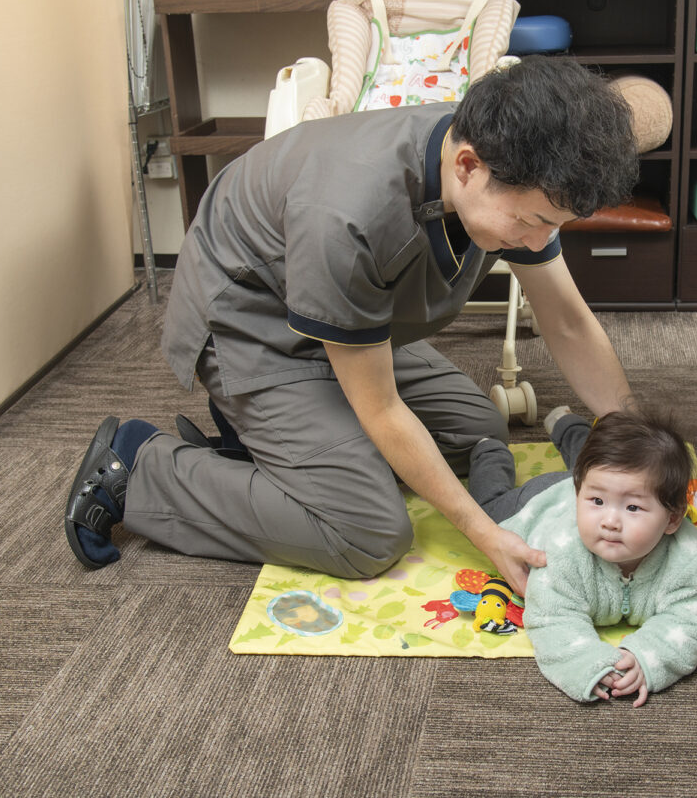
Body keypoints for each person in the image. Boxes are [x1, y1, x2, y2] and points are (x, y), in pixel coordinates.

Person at [62, 55, 640, 597]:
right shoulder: (350, 212)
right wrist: (484, 534)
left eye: (554, 225)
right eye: (534, 221)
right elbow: (381, 409)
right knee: (367, 532)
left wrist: (639, 442)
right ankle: (140, 468)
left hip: (339, 323)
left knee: (478, 426)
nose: (540, 242)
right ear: (468, 167)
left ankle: (267, 445)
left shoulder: (507, 162)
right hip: (250, 322)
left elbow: (565, 320)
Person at [468, 407, 697, 707]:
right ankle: (488, 451)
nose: (610, 521)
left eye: (632, 508)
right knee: (489, 510)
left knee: (605, 469)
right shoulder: (562, 551)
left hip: (589, 480)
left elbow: (694, 616)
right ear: (580, 494)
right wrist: (587, 661)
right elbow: (552, 617)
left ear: (672, 519)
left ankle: (566, 423)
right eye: (597, 502)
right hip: (541, 500)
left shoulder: (685, 558)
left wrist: (648, 656)